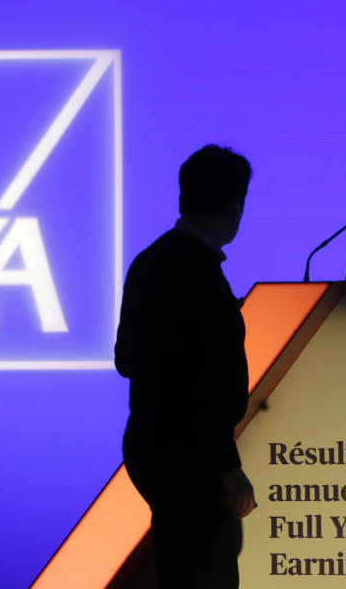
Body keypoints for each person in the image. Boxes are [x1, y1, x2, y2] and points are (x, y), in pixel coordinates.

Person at [115, 144, 256, 589]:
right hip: (190, 462)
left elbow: (128, 359)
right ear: (236, 204)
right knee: (203, 571)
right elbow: (196, 387)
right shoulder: (197, 274)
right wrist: (227, 465)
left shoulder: (153, 260)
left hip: (156, 451)